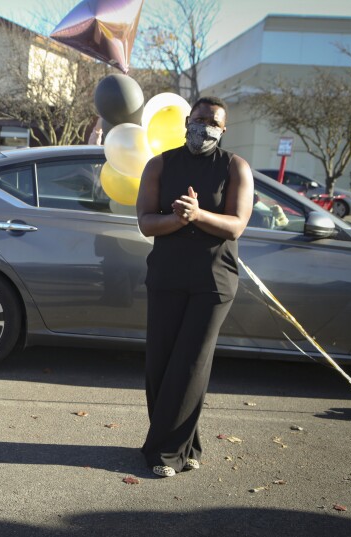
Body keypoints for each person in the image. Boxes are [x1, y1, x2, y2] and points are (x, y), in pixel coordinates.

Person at [135, 96, 253, 478]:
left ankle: (164, 452)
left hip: (213, 281)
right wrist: (180, 218)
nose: (204, 127)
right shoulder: (160, 164)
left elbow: (235, 225)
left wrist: (197, 214)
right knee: (161, 363)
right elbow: (146, 222)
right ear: (187, 120)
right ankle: (187, 443)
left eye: (213, 123)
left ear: (223, 129)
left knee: (191, 364)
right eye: (199, 119)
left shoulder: (235, 167)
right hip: (167, 276)